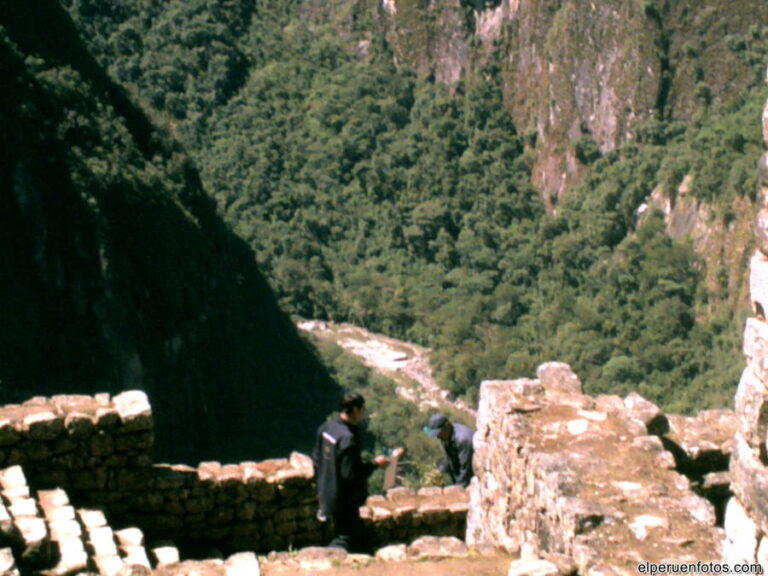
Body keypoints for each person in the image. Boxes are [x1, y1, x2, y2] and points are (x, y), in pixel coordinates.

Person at [312, 391, 389, 552]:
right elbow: (351, 475)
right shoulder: (347, 438)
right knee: (345, 538)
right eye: (362, 409)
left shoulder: (326, 427)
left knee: (355, 535)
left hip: (324, 492)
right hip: (343, 500)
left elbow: (316, 459)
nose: (363, 413)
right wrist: (375, 464)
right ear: (355, 410)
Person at [424, 413, 474, 487]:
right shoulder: (447, 436)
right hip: (461, 474)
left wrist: (458, 489)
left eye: (439, 433)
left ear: (447, 427)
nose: (438, 437)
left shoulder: (463, 440)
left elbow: (465, 469)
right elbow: (449, 456)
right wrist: (440, 471)